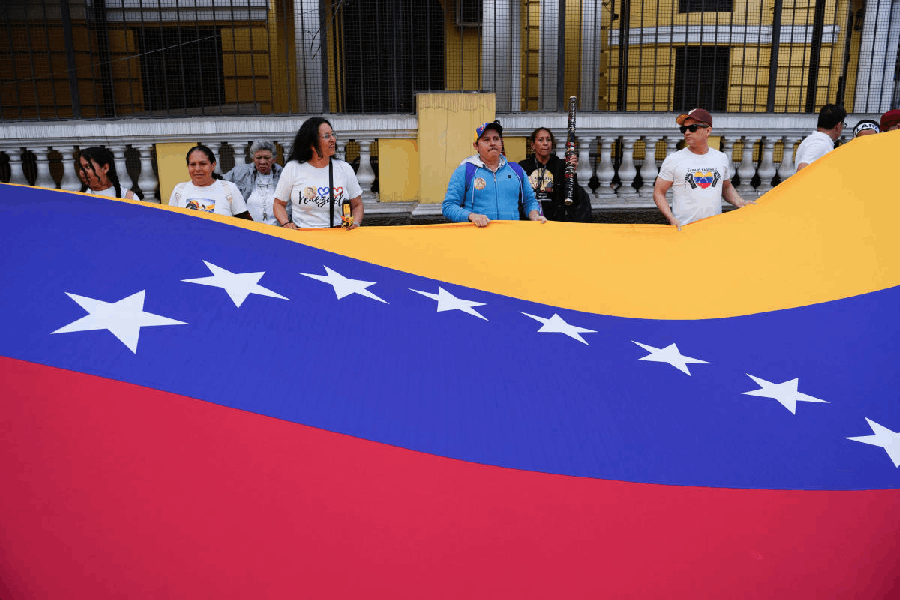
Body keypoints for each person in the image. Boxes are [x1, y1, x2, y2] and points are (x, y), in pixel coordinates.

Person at [652, 108, 751, 230]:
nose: (687, 132)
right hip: (685, 229)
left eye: (692, 128)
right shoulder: (674, 159)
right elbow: (659, 192)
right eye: (684, 129)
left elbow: (726, 186)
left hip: (714, 229)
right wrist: (671, 218)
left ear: (708, 131)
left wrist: (740, 202)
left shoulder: (721, 158)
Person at [443, 121, 545, 227]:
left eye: (496, 139)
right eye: (486, 140)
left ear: (501, 143)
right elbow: (449, 206)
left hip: (511, 238)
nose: (492, 143)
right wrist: (471, 216)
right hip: (477, 238)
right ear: (476, 146)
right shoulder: (465, 170)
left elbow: (529, 201)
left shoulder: (516, 170)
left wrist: (534, 215)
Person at [273, 117, 363, 229]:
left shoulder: (344, 168)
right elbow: (279, 204)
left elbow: (357, 204)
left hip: (337, 235)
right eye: (326, 136)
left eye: (332, 134)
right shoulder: (293, 168)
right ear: (311, 143)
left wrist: (355, 223)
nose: (333, 139)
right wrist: (286, 223)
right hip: (303, 236)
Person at [517, 127, 592, 222]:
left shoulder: (561, 165)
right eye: (540, 140)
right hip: (530, 219)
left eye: (548, 140)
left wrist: (571, 173)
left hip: (555, 220)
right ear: (533, 145)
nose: (545, 143)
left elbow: (571, 194)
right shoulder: (523, 166)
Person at [168, 145, 251, 219]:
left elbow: (247, 225)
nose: (197, 169)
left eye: (203, 164)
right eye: (193, 164)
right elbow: (171, 222)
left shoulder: (229, 189)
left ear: (213, 165)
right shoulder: (179, 190)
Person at [223, 140, 284, 225]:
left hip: (278, 231)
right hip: (249, 230)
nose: (262, 162)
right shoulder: (240, 172)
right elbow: (219, 183)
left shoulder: (283, 175)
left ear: (274, 159)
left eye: (267, 158)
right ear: (253, 158)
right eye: (258, 158)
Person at [794, 104, 847, 171]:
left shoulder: (818, 141)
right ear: (838, 125)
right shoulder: (820, 144)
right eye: (843, 126)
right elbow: (802, 168)